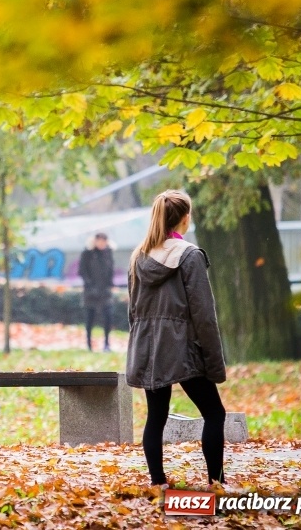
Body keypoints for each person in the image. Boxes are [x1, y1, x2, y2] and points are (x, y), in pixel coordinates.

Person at [126, 189, 227, 489]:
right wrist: (213, 362)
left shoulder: (139, 256)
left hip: (148, 348)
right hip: (183, 349)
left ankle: (158, 483)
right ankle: (216, 482)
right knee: (214, 412)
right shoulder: (189, 256)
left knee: (156, 415)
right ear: (185, 218)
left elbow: (133, 311)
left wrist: (141, 347)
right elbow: (204, 315)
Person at [78, 232, 115, 351]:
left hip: (105, 292)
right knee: (90, 318)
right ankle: (88, 344)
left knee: (108, 317)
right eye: (99, 240)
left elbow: (110, 270)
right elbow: (82, 271)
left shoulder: (108, 253)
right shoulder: (87, 253)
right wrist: (90, 285)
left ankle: (107, 344)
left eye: (104, 240)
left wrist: (110, 284)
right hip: (91, 292)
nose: (101, 243)